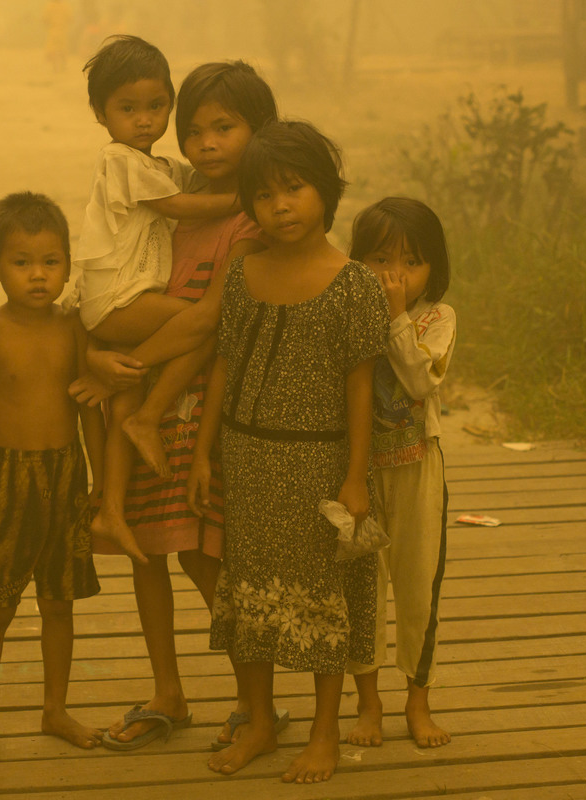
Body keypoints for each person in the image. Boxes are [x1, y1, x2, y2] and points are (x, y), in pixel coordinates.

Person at [78, 61, 288, 752]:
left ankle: (254, 701)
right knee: (145, 553)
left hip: (208, 411)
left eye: (224, 128)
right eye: (194, 130)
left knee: (206, 557)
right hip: (147, 394)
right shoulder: (171, 193)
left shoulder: (253, 222)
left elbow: (207, 323)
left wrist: (120, 374)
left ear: (261, 130)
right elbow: (117, 287)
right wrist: (99, 360)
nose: (206, 144)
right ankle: (168, 688)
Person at [188, 120, 389, 781]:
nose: (281, 206)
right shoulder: (244, 273)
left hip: (320, 466)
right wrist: (202, 452)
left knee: (322, 598)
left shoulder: (353, 282)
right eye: (266, 194)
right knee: (245, 597)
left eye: (295, 188)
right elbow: (224, 363)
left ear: (325, 191)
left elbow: (361, 384)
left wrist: (356, 477)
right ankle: (261, 720)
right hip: (248, 460)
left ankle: (326, 732)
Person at [72, 35, 240, 565]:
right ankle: (149, 418)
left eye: (155, 106)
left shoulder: (154, 163)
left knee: (125, 386)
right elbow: (182, 205)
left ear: (168, 102)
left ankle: (112, 507)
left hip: (125, 299)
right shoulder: (120, 159)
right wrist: (249, 194)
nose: (144, 120)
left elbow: (180, 184)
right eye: (127, 109)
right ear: (101, 114)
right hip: (119, 299)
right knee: (201, 324)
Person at [0, 192, 107, 764]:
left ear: (68, 265)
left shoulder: (72, 327)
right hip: (6, 478)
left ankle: (54, 709)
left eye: (52, 262)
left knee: (59, 602)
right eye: (22, 263)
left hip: (65, 472)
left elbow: (87, 405)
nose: (38, 275)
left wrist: (97, 481)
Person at [345, 197, 456, 750]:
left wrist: (394, 317)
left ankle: (418, 698)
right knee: (361, 588)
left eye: (411, 261)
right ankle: (368, 703)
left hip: (417, 468)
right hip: (359, 470)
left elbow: (418, 382)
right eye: (381, 259)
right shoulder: (347, 308)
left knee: (418, 588)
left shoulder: (438, 319)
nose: (395, 275)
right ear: (356, 261)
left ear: (433, 267)